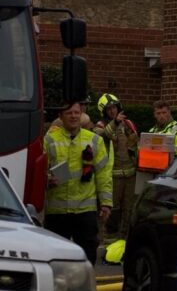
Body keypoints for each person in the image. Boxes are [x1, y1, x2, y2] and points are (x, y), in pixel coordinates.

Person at [43, 101, 113, 264]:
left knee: (87, 256)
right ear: (61, 117)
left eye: (76, 113)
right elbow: (39, 171)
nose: (74, 116)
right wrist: (47, 180)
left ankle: (85, 288)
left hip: (85, 210)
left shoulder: (95, 140)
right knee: (55, 259)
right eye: (69, 113)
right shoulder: (49, 140)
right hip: (57, 211)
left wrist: (106, 203)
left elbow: (103, 174)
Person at [94, 93, 138, 240]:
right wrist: (114, 123)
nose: (113, 111)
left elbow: (136, 145)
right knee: (113, 211)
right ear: (104, 112)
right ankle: (108, 242)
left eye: (114, 107)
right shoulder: (100, 126)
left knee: (129, 210)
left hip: (130, 175)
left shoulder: (128, 124)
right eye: (109, 109)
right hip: (112, 176)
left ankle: (125, 240)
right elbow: (102, 136)